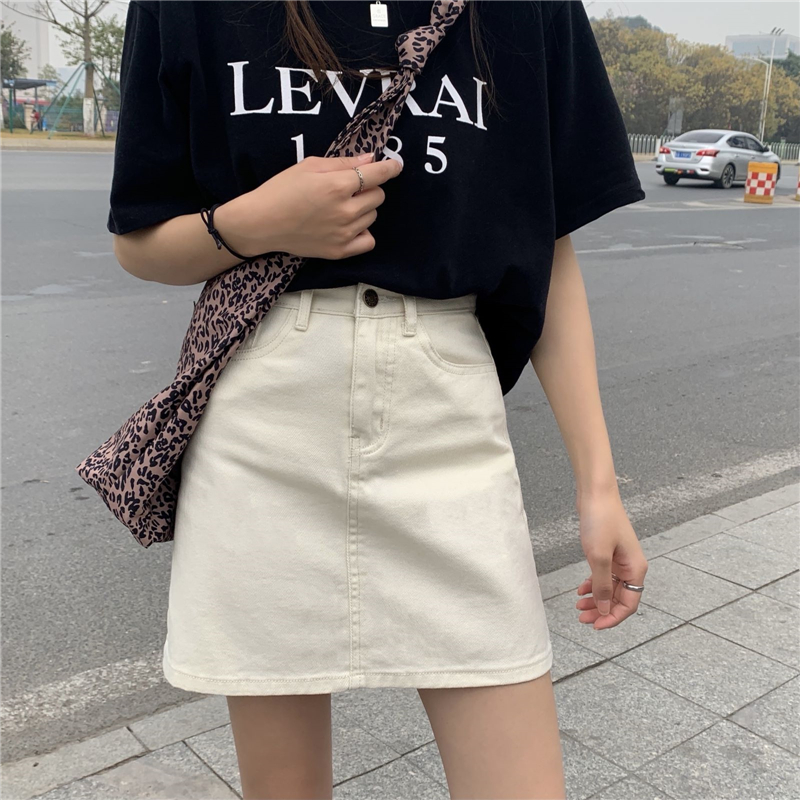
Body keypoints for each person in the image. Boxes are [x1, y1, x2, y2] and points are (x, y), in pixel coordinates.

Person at [107, 1, 648, 798]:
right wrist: (259, 222)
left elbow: (547, 241)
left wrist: (599, 486)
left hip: (447, 422)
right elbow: (139, 241)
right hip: (264, 429)